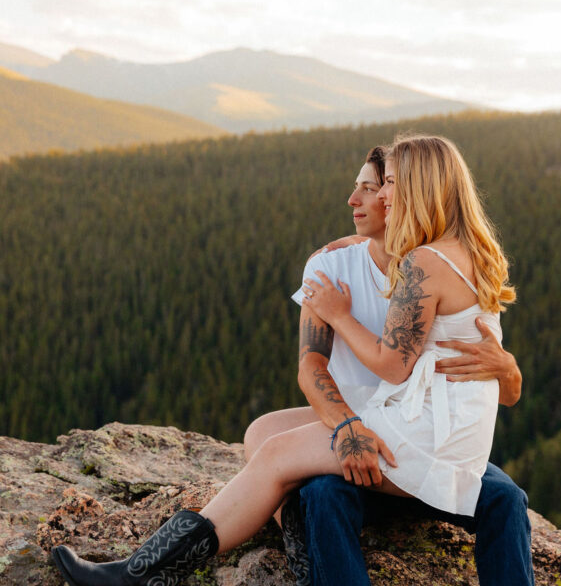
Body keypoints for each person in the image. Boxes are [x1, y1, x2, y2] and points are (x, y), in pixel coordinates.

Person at [52, 135, 529, 586]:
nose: (378, 197)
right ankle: (258, 552)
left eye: (387, 184)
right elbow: (318, 364)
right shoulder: (461, 252)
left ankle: (136, 575)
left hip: (425, 432)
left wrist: (338, 315)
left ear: (418, 188)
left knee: (279, 457)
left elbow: (392, 365)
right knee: (265, 433)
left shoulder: (424, 262)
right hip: (445, 428)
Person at [254, 139, 533, 586]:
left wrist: (509, 370)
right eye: (366, 187)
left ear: (408, 195)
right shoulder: (333, 266)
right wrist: (347, 427)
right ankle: (302, 547)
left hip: (416, 436)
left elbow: (503, 391)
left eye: (379, 186)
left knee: (505, 498)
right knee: (321, 488)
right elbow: (311, 368)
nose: (362, 199)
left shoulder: (431, 268)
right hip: (367, 433)